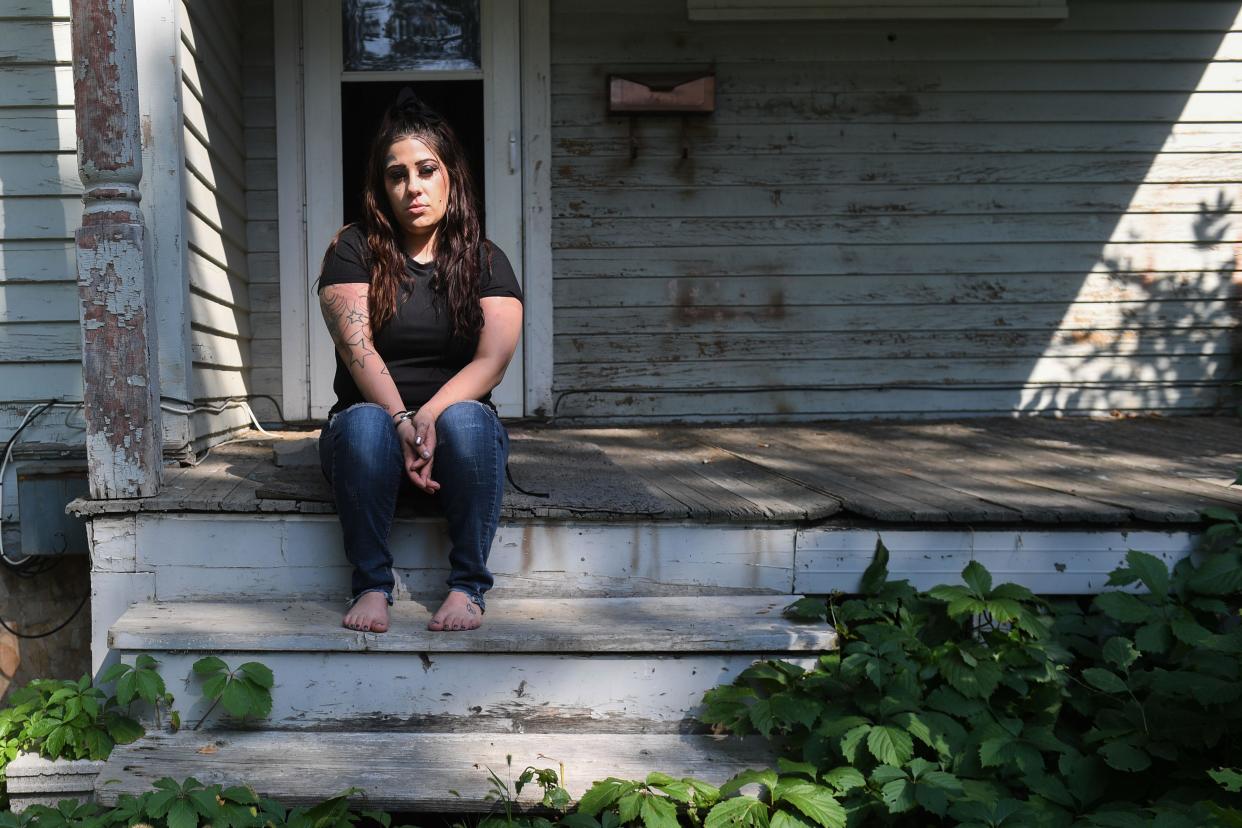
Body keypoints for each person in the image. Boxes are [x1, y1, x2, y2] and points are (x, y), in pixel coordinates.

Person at [316, 90, 523, 634]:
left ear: (450, 175)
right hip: (370, 437)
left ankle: (467, 587)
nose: (413, 188)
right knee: (363, 421)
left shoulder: (484, 259)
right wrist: (402, 421)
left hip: (455, 437)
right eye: (397, 175)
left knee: (469, 419)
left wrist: (427, 416)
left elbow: (493, 361)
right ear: (381, 186)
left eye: (426, 170)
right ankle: (371, 584)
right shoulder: (352, 250)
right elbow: (358, 352)